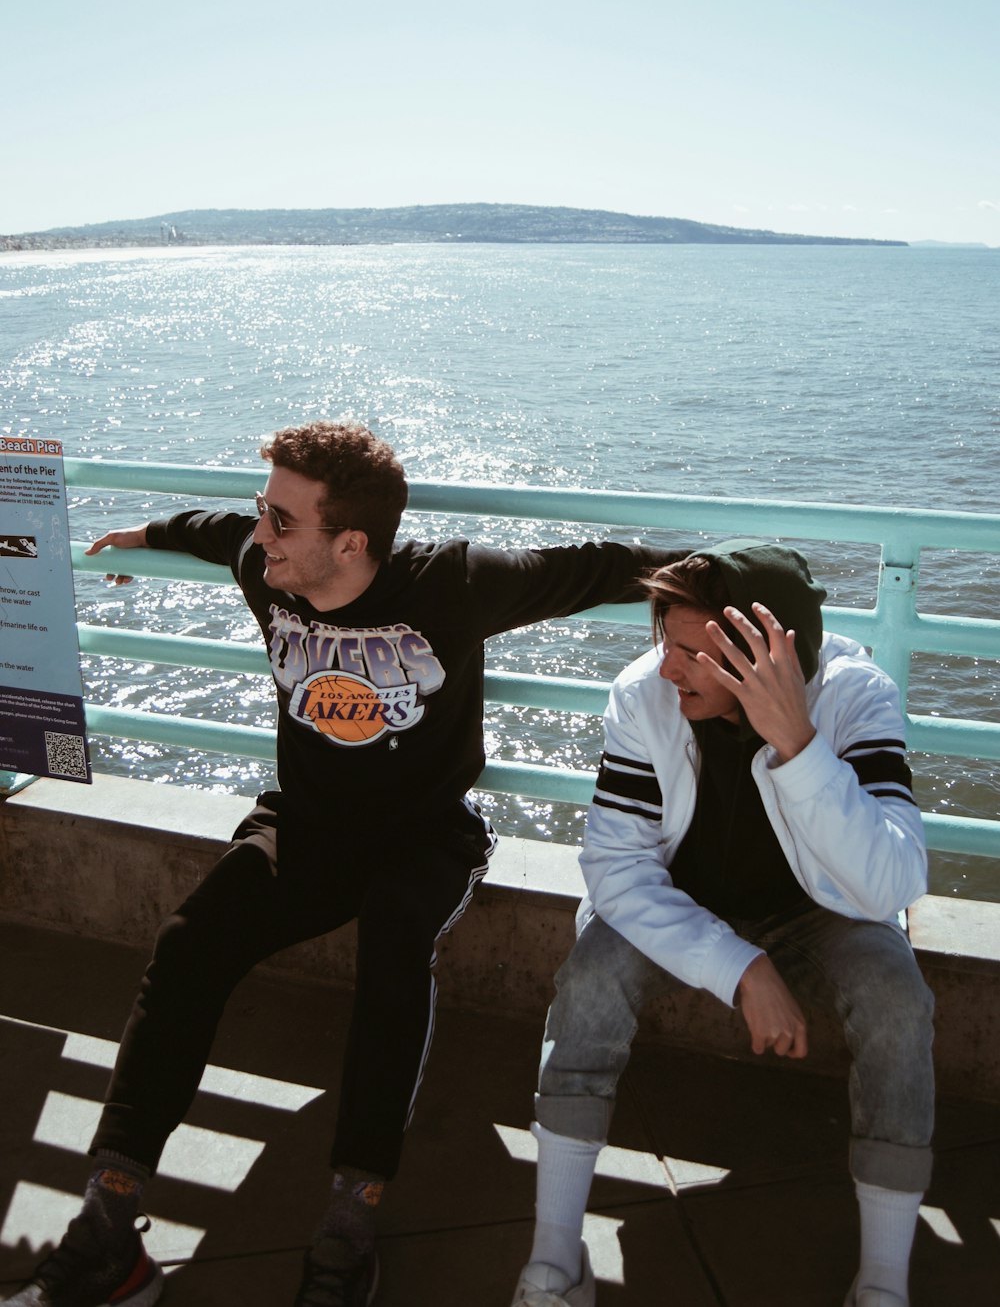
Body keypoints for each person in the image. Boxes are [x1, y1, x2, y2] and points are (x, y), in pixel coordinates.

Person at [7, 420, 685, 1307]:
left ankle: (351, 1215)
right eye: (264, 513)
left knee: (396, 946)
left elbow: (593, 566)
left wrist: (726, 578)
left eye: (282, 521)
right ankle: (110, 1215)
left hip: (423, 833)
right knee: (189, 942)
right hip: (308, 826)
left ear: (351, 542)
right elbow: (217, 533)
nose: (262, 535)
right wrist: (147, 535)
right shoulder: (266, 563)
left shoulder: (451, 584)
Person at [511, 540, 934, 1307]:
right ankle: (552, 1262)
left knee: (898, 1001)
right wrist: (739, 966)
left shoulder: (855, 693)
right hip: (684, 905)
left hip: (824, 913)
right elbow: (617, 869)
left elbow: (893, 884)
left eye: (691, 655)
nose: (668, 669)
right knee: (590, 979)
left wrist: (797, 743)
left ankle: (883, 1283)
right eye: (664, 644)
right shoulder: (644, 693)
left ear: (766, 659)